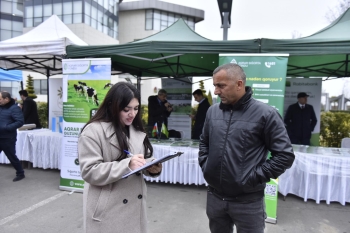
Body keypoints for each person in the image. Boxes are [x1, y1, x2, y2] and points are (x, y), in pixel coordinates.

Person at [198, 63, 295, 233]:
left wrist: (251, 179)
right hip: (215, 199)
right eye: (215, 86)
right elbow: (204, 143)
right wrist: (207, 167)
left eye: (221, 86)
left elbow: (284, 155)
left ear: (239, 84)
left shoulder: (266, 114)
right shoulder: (212, 112)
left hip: (248, 203)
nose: (216, 91)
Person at [78, 82, 162, 233]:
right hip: (108, 210)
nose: (132, 114)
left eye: (136, 108)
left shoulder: (135, 130)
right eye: (126, 109)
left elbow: (140, 158)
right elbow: (89, 171)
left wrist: (151, 167)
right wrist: (127, 165)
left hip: (135, 209)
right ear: (113, 105)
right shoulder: (93, 131)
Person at [0, 91, 25, 182]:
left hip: (8, 138)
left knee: (11, 156)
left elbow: (20, 122)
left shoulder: (14, 108)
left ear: (6, 99)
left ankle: (20, 173)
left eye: (0, 99)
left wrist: (6, 128)